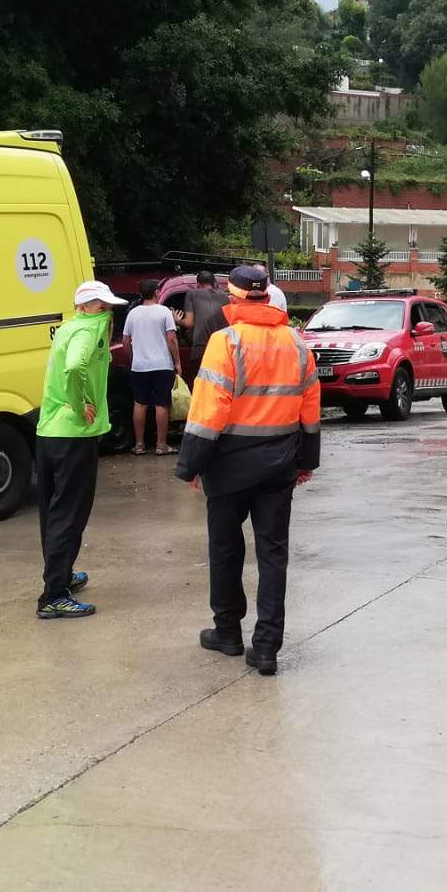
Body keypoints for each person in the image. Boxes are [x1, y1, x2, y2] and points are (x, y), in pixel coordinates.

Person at [174, 264, 320, 676]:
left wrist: (191, 465)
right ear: (266, 296)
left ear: (232, 297)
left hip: (229, 462)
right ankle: (267, 647)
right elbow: (310, 405)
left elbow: (209, 411)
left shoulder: (226, 341)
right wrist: (306, 460)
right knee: (273, 554)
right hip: (279, 462)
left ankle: (228, 633)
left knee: (225, 549)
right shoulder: (296, 341)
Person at [35, 280, 122, 620]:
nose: (107, 311)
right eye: (101, 305)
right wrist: (80, 403)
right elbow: (74, 367)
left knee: (53, 511)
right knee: (69, 515)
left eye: (108, 305)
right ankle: (54, 595)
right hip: (73, 435)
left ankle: (62, 575)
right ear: (86, 306)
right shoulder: (87, 331)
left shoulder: (70, 326)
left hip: (50, 432)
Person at [122, 280, 181, 455]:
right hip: (162, 365)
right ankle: (161, 445)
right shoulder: (164, 312)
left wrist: (133, 358)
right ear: (156, 292)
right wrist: (177, 361)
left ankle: (139, 444)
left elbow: (126, 340)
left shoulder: (133, 313)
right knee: (162, 405)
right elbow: (171, 338)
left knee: (140, 404)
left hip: (139, 366)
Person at [184, 268, 230, 348]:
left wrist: (176, 319)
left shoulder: (192, 294)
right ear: (215, 284)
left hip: (201, 348)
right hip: (222, 346)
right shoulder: (226, 297)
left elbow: (189, 323)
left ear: (198, 285)